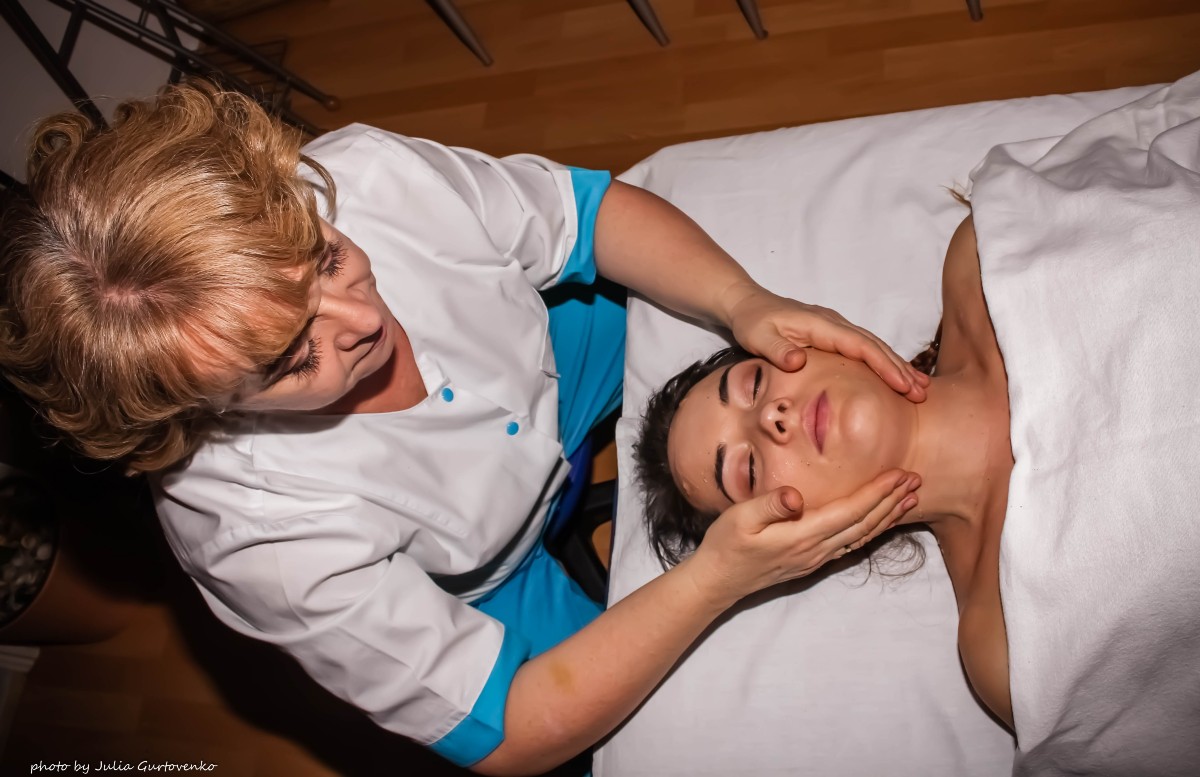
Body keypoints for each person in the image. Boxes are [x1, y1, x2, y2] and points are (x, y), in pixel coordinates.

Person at [0, 81, 930, 774]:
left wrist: (742, 300)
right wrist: (715, 577)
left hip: (562, 354)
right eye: (291, 357)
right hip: (495, 577)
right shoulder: (260, 539)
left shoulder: (369, 177)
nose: (363, 321)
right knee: (692, 725)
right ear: (203, 412)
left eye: (325, 258)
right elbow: (514, 727)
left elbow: (591, 216)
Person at [637, 213, 1016, 728]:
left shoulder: (983, 257)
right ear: (793, 541)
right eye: (748, 471)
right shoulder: (1005, 644)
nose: (770, 417)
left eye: (753, 385)